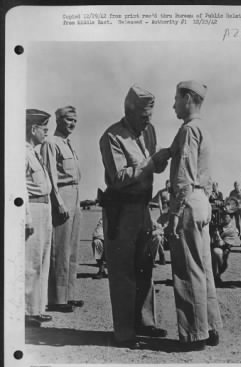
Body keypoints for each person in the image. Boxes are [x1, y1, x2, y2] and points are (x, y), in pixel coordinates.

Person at [99, 85, 170, 349]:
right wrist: (151, 162)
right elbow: (118, 179)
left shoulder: (148, 131)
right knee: (123, 271)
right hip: (121, 209)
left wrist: (164, 158)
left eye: (150, 116)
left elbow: (153, 165)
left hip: (143, 207)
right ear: (129, 111)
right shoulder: (111, 137)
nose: (148, 121)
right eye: (143, 116)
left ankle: (144, 322)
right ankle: (124, 332)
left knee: (144, 268)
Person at [168, 80, 223, 351]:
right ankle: (211, 327)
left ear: (188, 98)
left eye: (177, 98)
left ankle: (194, 334)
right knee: (204, 269)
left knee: (187, 269)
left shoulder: (189, 130)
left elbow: (183, 175)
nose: (174, 104)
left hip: (188, 201)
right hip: (202, 200)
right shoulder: (203, 129)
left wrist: (175, 212)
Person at [41, 106, 83, 312]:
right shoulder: (51, 143)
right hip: (63, 195)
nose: (72, 123)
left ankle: (69, 294)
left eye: (75, 120)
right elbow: (50, 175)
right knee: (60, 249)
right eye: (68, 120)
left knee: (73, 248)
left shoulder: (68, 144)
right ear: (58, 120)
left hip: (75, 195)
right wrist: (58, 202)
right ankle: (57, 298)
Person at [25, 109, 53, 327]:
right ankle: (27, 311)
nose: (47, 132)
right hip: (33, 209)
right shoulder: (22, 153)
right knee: (31, 262)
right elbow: (18, 189)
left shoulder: (34, 152)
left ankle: (37, 308)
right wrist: (26, 217)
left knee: (42, 261)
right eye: (44, 129)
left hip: (44, 207)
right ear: (33, 129)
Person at [211, 210, 238, 287]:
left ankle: (216, 276)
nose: (223, 217)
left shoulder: (232, 230)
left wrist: (217, 234)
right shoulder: (218, 225)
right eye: (222, 215)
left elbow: (221, 244)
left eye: (226, 215)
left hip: (222, 256)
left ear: (231, 217)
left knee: (216, 251)